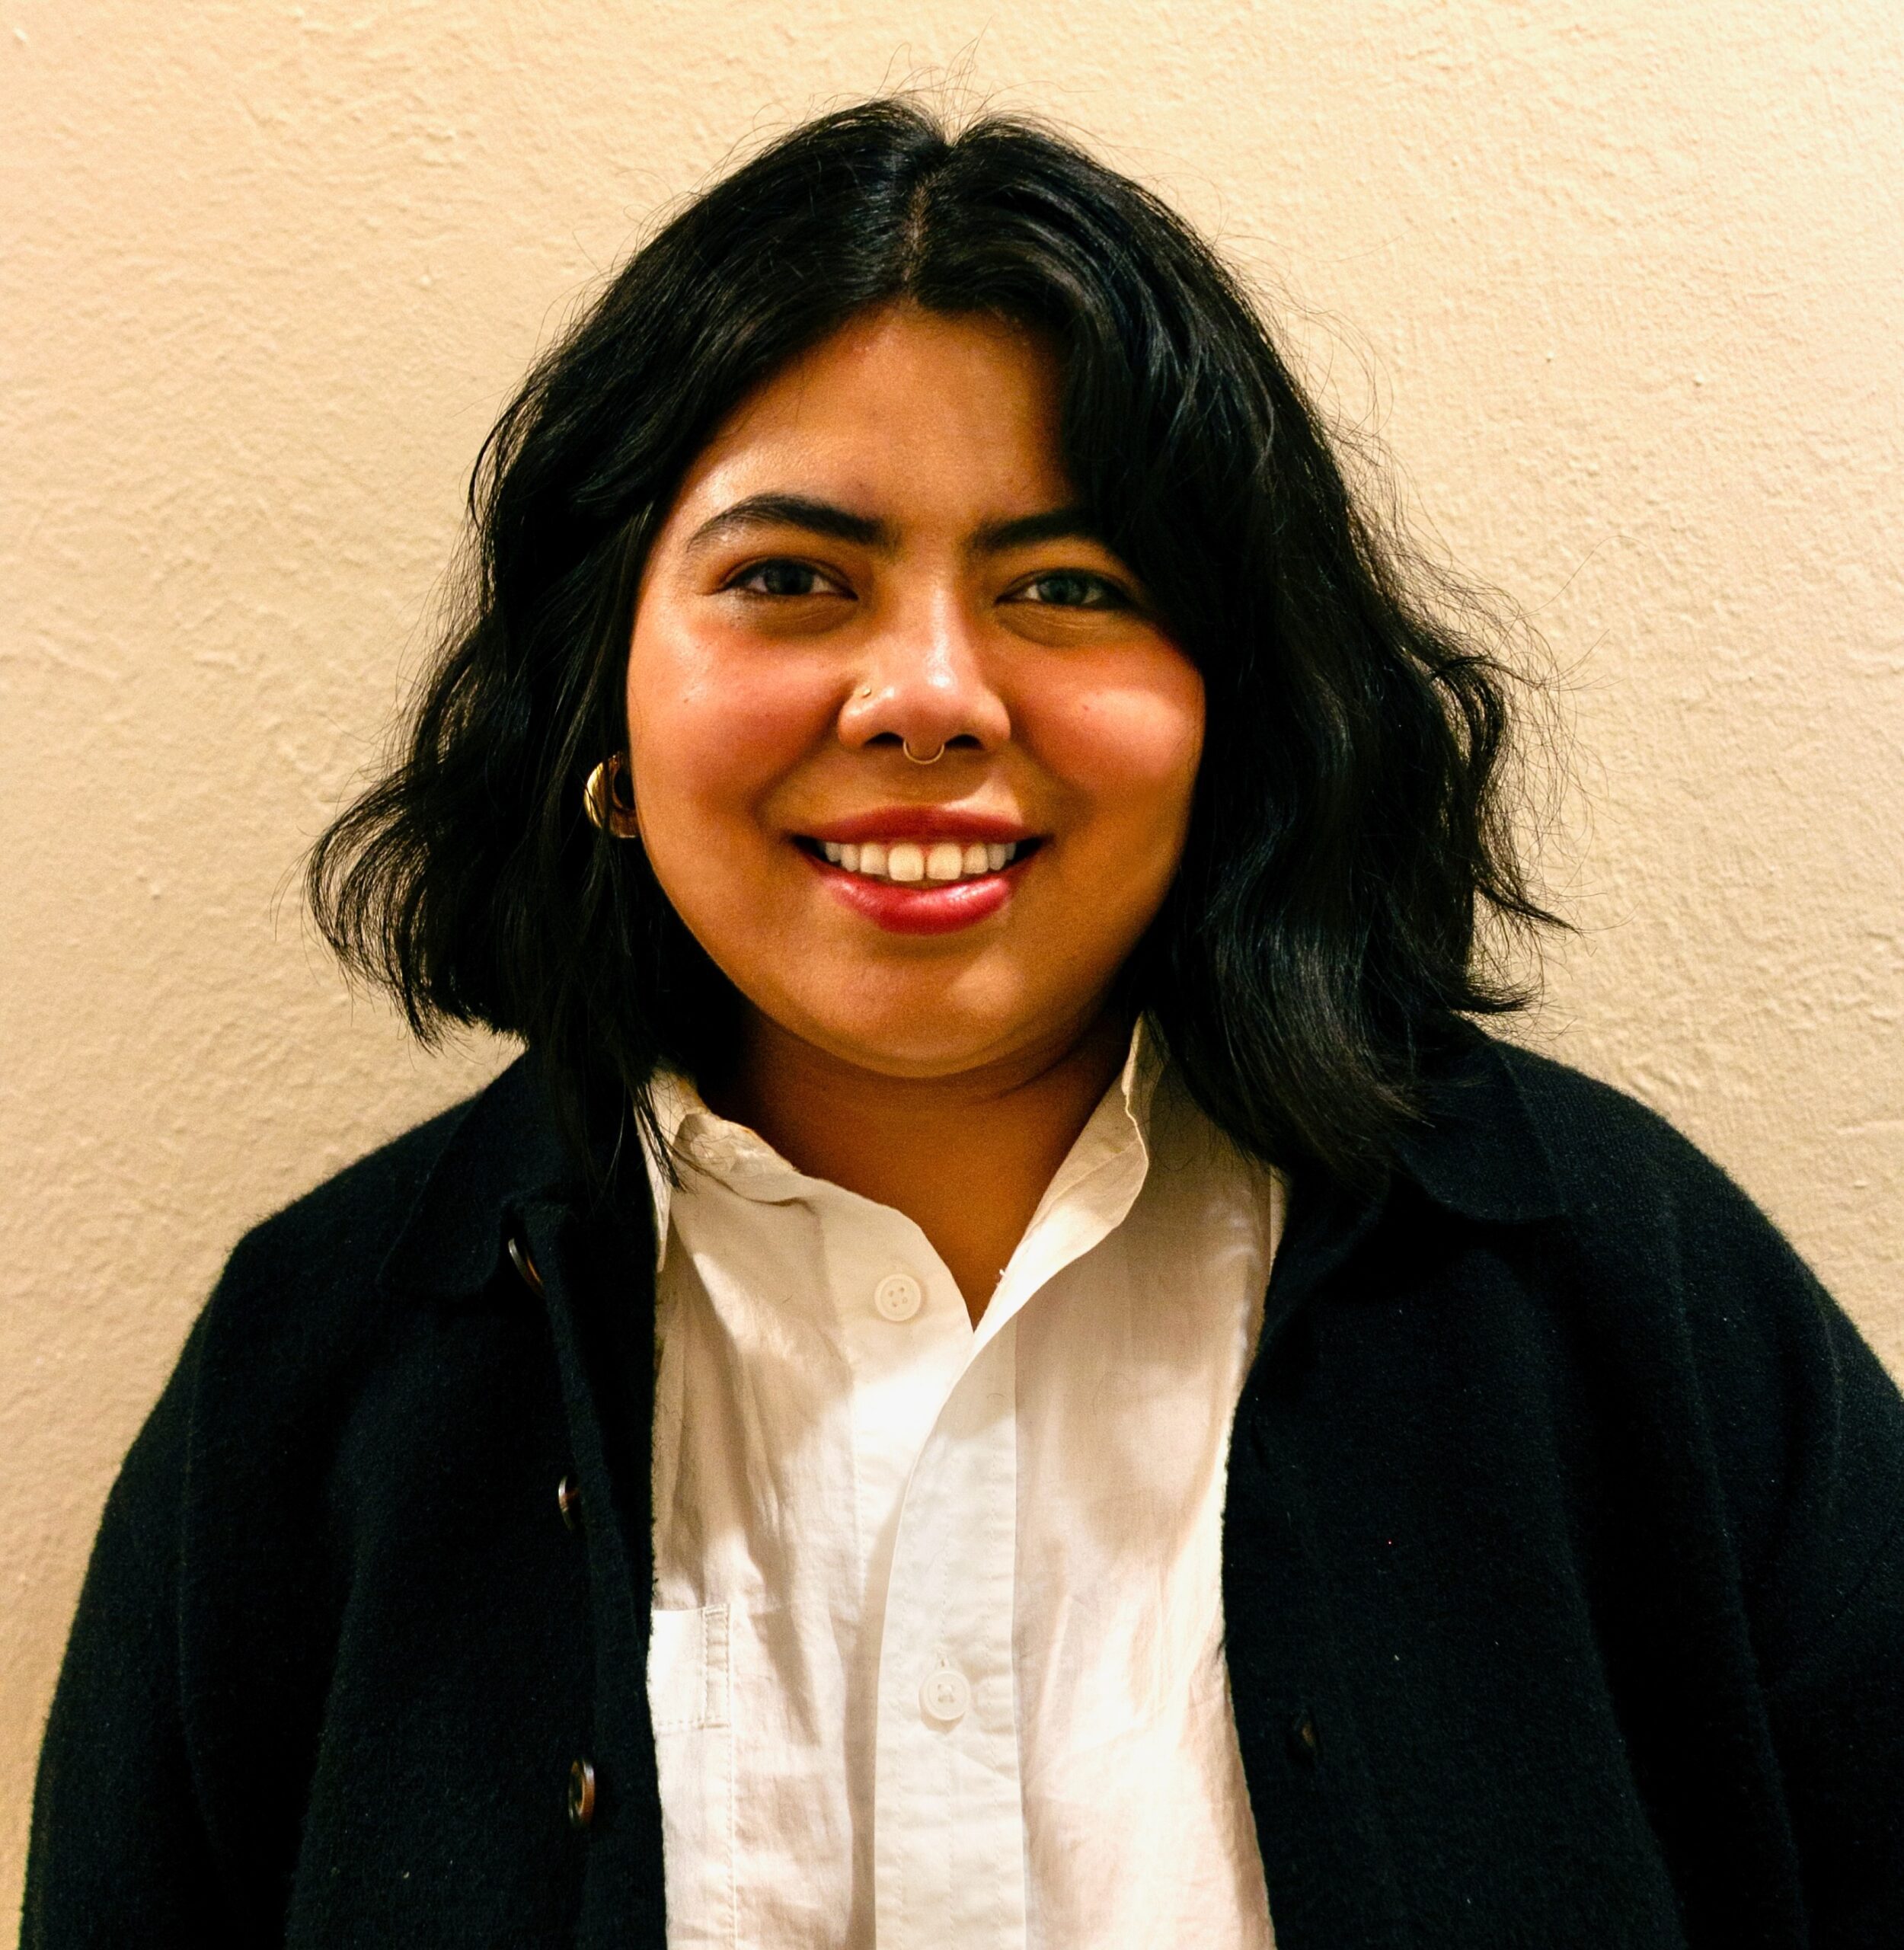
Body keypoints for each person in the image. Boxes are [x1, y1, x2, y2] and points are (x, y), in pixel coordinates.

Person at [24, 98, 1902, 1950]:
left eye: (1066, 588)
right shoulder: (316, 1366)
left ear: (1232, 700)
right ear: (600, 679)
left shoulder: (1623, 1295)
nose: (926, 693)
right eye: (789, 579)